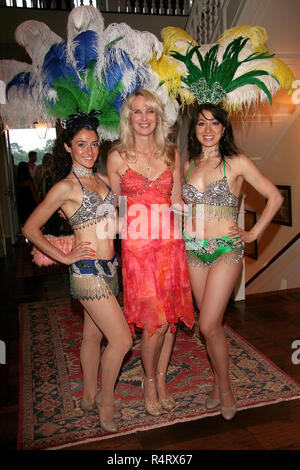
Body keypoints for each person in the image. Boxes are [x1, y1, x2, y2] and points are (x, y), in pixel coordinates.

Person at [23, 112, 132, 433]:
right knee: (123, 340)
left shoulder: (101, 180)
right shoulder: (65, 187)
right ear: (68, 147)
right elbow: (30, 228)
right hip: (85, 271)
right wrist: (65, 257)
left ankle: (87, 397)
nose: (89, 150)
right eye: (81, 145)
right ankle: (106, 404)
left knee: (93, 335)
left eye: (94, 144)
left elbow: (112, 222)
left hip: (110, 268)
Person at [182, 103, 283, 420]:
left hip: (226, 249)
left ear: (224, 129)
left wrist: (253, 233)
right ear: (194, 129)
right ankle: (217, 380)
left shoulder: (236, 162)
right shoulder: (189, 164)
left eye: (214, 124)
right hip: (193, 251)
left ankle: (224, 387)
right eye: (201, 123)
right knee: (208, 327)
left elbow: (275, 196)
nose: (207, 129)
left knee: (210, 323)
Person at [107, 89, 195, 417]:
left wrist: (201, 209)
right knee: (153, 323)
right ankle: (147, 379)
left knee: (169, 320)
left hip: (170, 246)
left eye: (151, 112)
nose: (144, 118)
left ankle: (160, 378)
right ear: (129, 117)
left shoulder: (172, 154)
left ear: (159, 117)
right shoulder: (117, 158)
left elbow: (175, 201)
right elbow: (114, 210)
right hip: (137, 251)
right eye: (137, 112)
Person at [15, 161, 39, 226]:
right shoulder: (29, 180)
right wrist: (38, 203)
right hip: (29, 202)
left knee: (24, 221)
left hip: (21, 202)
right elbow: (34, 193)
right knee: (32, 220)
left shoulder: (17, 181)